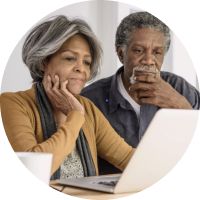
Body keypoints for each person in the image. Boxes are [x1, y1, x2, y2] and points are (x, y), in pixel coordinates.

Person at [0, 15, 134, 180]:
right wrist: (75, 116)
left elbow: (128, 159)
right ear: (43, 61)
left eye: (86, 62)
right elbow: (33, 170)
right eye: (70, 58)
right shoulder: (12, 103)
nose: (81, 69)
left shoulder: (88, 109)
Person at [82, 11, 200, 174]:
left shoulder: (180, 88)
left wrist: (178, 104)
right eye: (138, 51)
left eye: (157, 52)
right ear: (121, 53)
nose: (149, 60)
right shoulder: (91, 99)